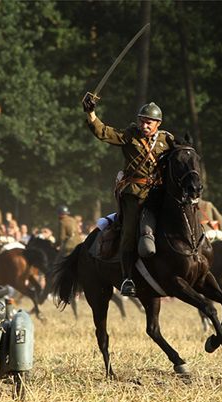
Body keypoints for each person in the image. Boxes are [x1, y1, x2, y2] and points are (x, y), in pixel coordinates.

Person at [83, 95, 176, 296]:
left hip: (159, 194)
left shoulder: (166, 140)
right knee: (129, 232)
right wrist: (91, 113)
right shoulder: (129, 135)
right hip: (134, 195)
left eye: (148, 122)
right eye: (142, 120)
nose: (144, 124)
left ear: (158, 123)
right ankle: (127, 278)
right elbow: (103, 132)